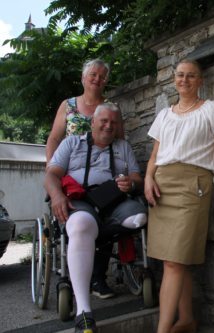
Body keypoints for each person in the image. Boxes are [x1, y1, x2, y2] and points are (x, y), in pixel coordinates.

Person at [144, 59, 214, 333]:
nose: (185, 80)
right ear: (174, 80)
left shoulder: (211, 109)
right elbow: (156, 155)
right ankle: (187, 320)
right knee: (173, 260)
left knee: (174, 261)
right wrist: (147, 179)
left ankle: (163, 330)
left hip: (193, 185)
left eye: (191, 76)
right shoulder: (164, 115)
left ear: (200, 81)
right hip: (162, 186)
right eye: (180, 75)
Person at [44, 103, 147, 333]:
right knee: (81, 224)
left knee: (140, 217)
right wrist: (57, 195)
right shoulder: (72, 143)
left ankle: (98, 230)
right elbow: (51, 174)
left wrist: (130, 183)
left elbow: (137, 178)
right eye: (104, 121)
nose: (109, 125)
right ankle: (84, 311)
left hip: (114, 203)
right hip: (81, 200)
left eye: (113, 122)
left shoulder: (123, 146)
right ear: (92, 122)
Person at [45, 59, 124, 299]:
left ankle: (98, 278)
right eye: (93, 74)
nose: (97, 79)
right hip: (70, 174)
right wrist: (52, 172)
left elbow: (120, 142)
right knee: (77, 222)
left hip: (101, 176)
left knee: (108, 213)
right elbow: (54, 139)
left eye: (102, 75)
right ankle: (75, 276)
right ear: (83, 77)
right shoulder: (68, 106)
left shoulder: (111, 108)